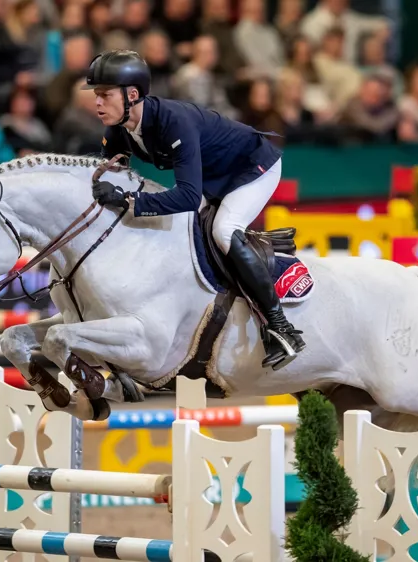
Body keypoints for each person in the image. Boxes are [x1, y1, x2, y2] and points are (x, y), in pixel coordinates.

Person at [85, 49, 305, 370]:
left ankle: (280, 327)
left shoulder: (174, 122)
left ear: (132, 95)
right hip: (211, 175)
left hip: (251, 167)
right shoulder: (118, 130)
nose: (97, 103)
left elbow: (187, 197)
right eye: (96, 95)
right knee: (175, 229)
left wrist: (131, 202)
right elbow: (106, 177)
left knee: (223, 230)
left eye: (104, 95)